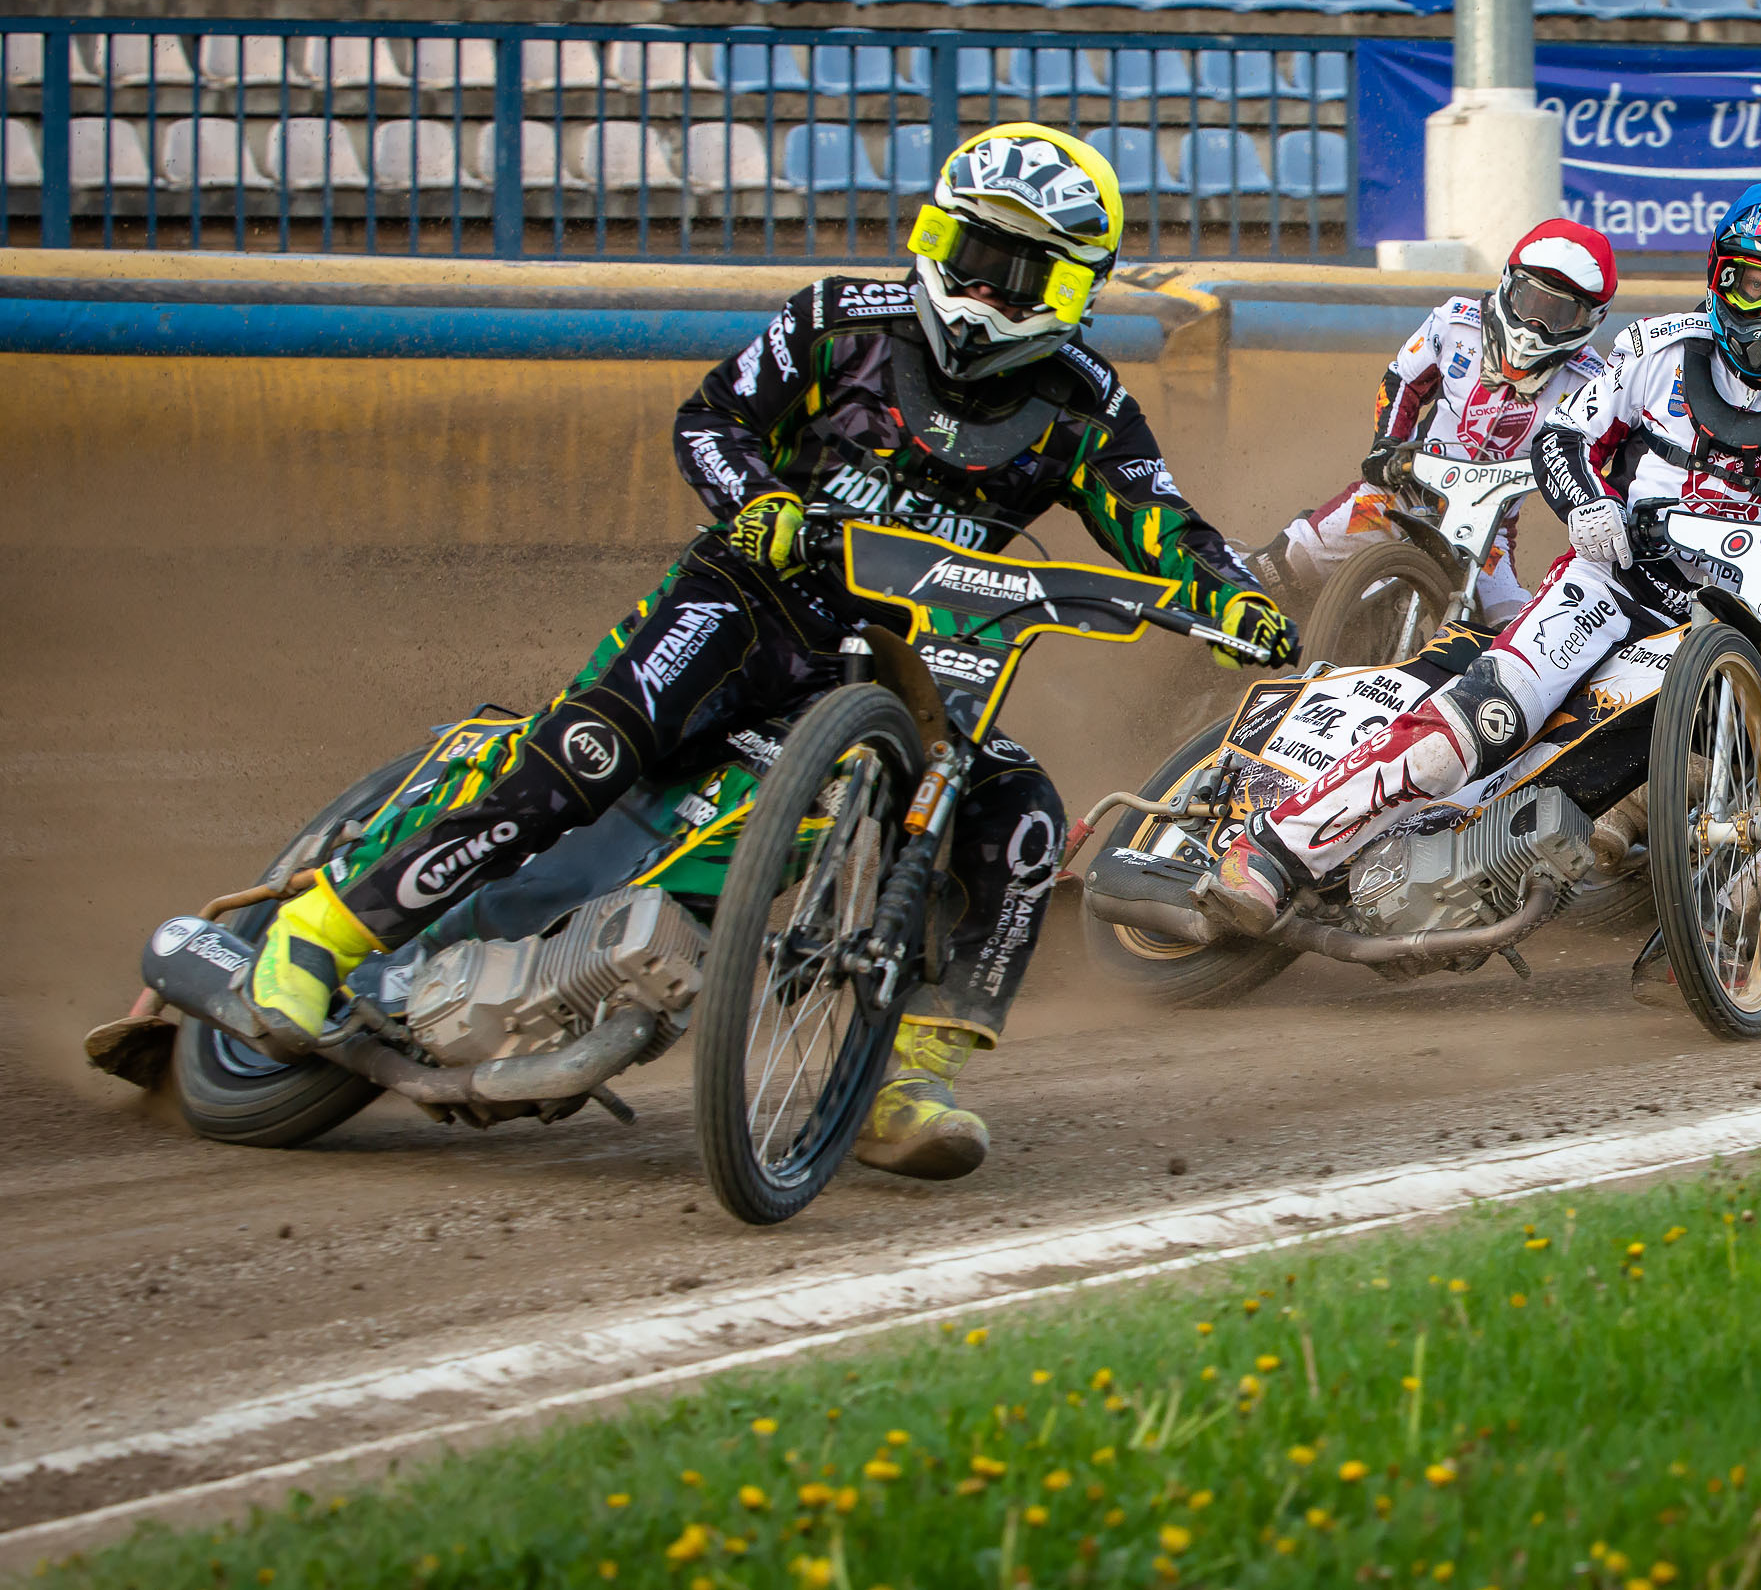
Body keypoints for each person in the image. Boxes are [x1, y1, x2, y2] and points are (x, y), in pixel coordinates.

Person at [243, 123, 1294, 1179]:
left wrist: (1236, 597)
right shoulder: (838, 321)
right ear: (933, 238)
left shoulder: (1089, 406)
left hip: (915, 661)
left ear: (1072, 291)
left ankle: (907, 1078)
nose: (985, 290)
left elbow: (1164, 527)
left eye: (1019, 275)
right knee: (591, 749)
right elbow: (710, 420)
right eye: (972, 254)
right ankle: (327, 930)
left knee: (1021, 822)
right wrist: (759, 503)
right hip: (750, 597)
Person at [1202, 185, 1761, 936]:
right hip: (1608, 588)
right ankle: (1274, 853)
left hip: (1740, 641)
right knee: (1487, 720)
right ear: (1720, 277)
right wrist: (1587, 504)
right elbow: (1565, 437)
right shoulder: (1654, 349)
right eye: (1751, 286)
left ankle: (1732, 928)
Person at [1246, 221, 1619, 627]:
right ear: (1507, 284)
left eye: (1558, 314)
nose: (1535, 325)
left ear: (1591, 319)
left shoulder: (1593, 382)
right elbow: (1403, 380)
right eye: (1530, 300)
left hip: (1487, 530)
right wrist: (1387, 445)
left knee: (1508, 627)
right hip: (1401, 492)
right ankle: (1221, 616)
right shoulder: (1456, 322)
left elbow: (1598, 461)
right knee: (1293, 559)